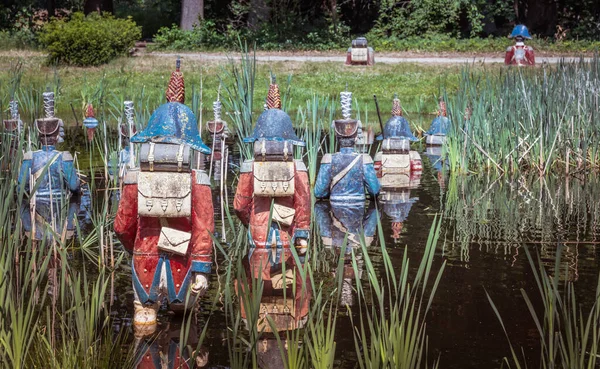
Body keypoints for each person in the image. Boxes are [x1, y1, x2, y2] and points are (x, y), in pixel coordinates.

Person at [114, 59, 214, 336]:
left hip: (144, 263)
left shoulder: (135, 177)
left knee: (143, 327)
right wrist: (203, 268)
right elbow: (203, 229)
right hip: (184, 266)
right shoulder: (198, 180)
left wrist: (136, 247)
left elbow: (122, 225)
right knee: (184, 332)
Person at [233, 77, 311, 256]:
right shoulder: (297, 167)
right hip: (286, 235)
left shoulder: (250, 166)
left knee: (257, 277)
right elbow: (303, 203)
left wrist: (251, 220)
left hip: (258, 236)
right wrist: (302, 234)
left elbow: (239, 205)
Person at [314, 90, 380, 203]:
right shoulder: (364, 159)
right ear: (355, 138)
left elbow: (319, 192)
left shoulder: (328, 159)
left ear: (337, 138)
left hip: (335, 209)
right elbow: (374, 191)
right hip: (358, 208)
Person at [18, 91, 79, 198]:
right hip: (59, 207)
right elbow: (74, 187)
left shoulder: (30, 157)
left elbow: (21, 188)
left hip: (35, 204)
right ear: (56, 137)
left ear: (39, 136)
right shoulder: (64, 157)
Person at [373, 96, 422, 187]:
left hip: (385, 184)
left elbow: (376, 173)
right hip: (406, 183)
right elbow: (417, 175)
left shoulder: (389, 122)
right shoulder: (403, 121)